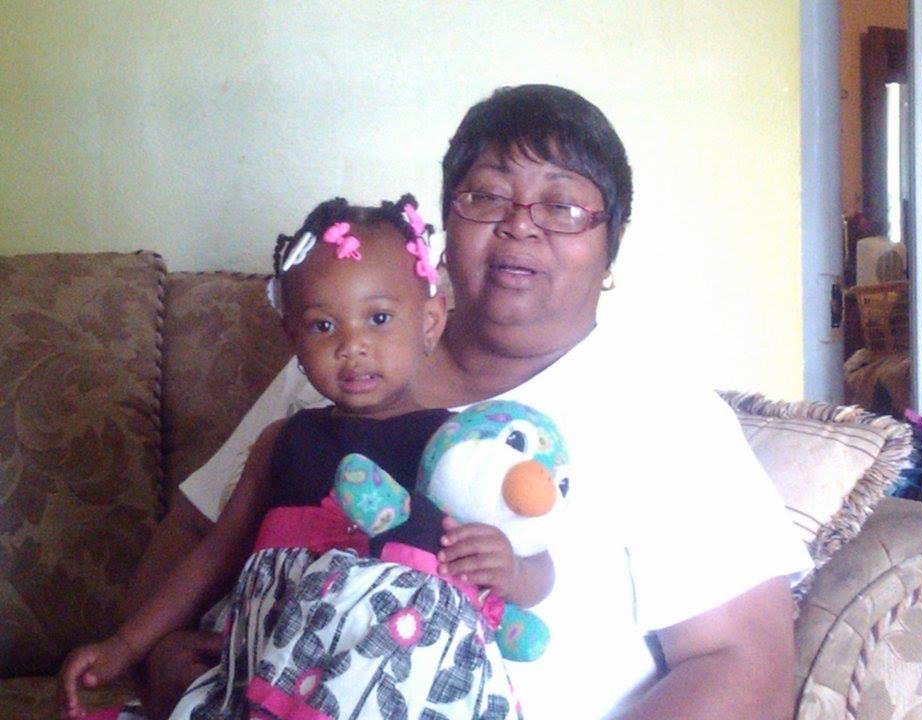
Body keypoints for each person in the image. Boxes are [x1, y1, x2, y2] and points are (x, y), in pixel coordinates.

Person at [112, 85, 812, 719]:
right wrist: (154, 657)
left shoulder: (667, 416)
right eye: (487, 196)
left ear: (611, 250)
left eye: (563, 207)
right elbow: (198, 529)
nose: (520, 225)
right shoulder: (350, 359)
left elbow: (742, 669)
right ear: (445, 231)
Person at [59, 195, 554, 720]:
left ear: (430, 322)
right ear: (293, 338)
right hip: (274, 668)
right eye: (323, 326)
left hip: (392, 675)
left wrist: (512, 568)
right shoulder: (283, 440)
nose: (352, 345)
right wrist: (126, 644)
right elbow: (216, 555)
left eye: (379, 318)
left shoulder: (456, 448)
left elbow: (540, 566)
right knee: (178, 675)